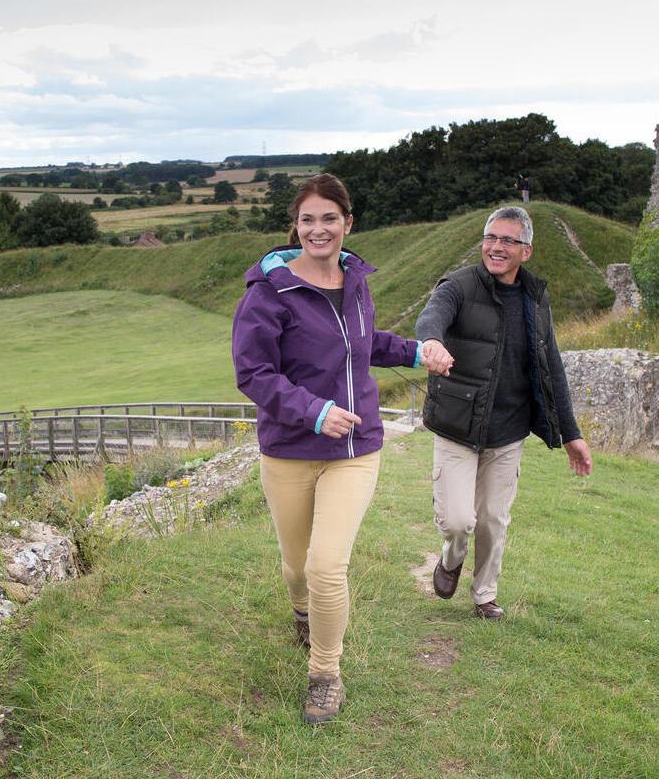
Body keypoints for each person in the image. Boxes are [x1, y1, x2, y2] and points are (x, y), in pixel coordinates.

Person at [232, 173, 427, 725]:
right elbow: (253, 373)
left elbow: (364, 345)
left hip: (356, 448)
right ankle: (301, 612)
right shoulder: (268, 293)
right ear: (295, 227)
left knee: (325, 565)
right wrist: (313, 410)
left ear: (347, 223)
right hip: (290, 449)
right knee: (296, 568)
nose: (319, 228)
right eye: (308, 219)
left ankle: (325, 673)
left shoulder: (356, 280)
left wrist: (416, 351)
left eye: (329, 218)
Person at [415, 205, 592, 620]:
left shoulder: (535, 297)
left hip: (509, 429)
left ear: (525, 251)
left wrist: (571, 433)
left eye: (507, 240)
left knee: (493, 519)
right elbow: (431, 317)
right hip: (457, 424)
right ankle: (451, 559)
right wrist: (431, 342)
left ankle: (484, 595)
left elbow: (552, 367)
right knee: (459, 521)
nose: (496, 247)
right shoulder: (457, 285)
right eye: (491, 238)